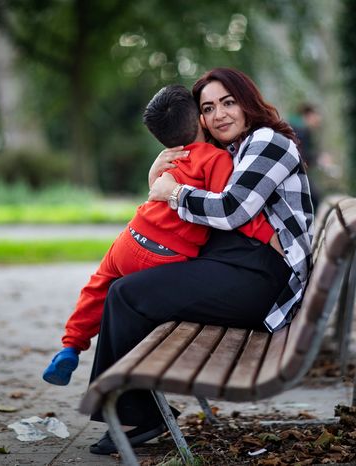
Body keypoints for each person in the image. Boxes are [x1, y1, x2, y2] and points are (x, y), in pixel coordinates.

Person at [84, 67, 314, 456]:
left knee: (125, 295)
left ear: (248, 101)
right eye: (208, 108)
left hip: (264, 279)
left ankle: (136, 413)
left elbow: (232, 209)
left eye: (228, 102)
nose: (219, 114)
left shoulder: (268, 141)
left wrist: (173, 193)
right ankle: (134, 409)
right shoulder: (235, 149)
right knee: (125, 289)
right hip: (243, 266)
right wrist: (157, 182)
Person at [42, 84, 277, 387]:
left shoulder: (166, 159)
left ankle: (70, 347)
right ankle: (134, 395)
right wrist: (269, 235)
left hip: (131, 239)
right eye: (206, 110)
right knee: (138, 299)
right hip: (167, 253)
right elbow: (233, 212)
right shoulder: (216, 160)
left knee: (99, 286)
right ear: (201, 121)